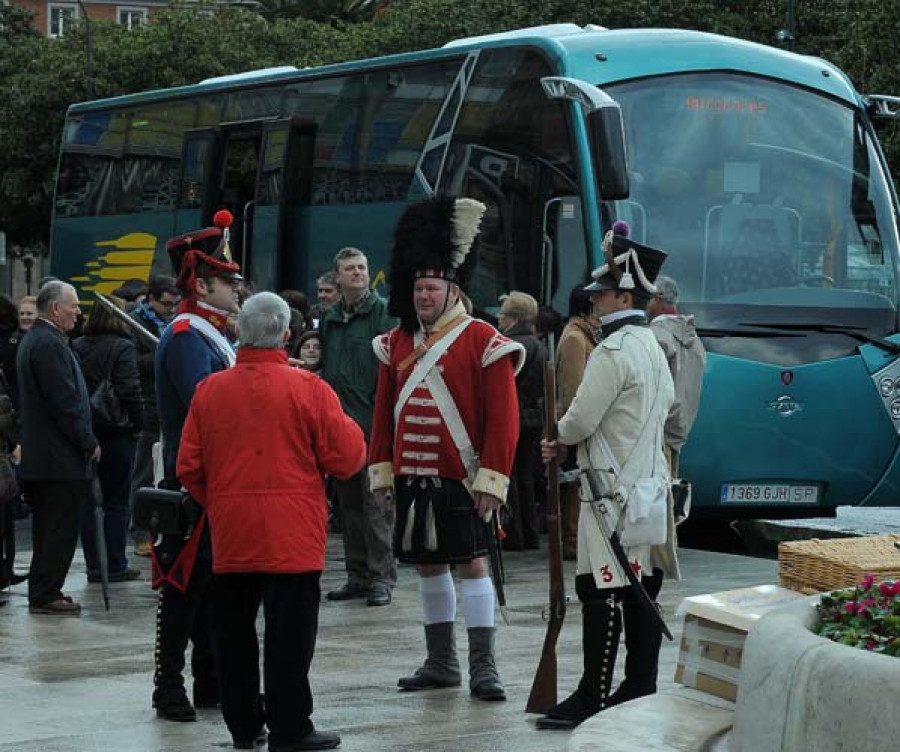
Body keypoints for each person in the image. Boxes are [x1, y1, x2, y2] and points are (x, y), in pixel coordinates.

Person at [179, 292, 365, 752]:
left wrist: (222, 500)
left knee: (234, 635)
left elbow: (189, 467)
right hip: (293, 533)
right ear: (287, 335)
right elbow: (346, 458)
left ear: (239, 332)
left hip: (233, 533)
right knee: (290, 637)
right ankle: (291, 725)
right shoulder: (310, 389)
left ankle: (243, 725)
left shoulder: (210, 391)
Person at [369, 196, 524, 702]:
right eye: (417, 288)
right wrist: (384, 473)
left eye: (432, 288)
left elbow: (504, 418)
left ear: (453, 290)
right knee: (430, 566)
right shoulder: (394, 343)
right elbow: (382, 413)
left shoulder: (483, 338)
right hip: (413, 477)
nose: (423, 297)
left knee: (472, 566)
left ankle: (484, 666)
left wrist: (493, 480)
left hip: (463, 479)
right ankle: (441, 662)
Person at [537, 223, 678, 730]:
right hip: (648, 488)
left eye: (602, 294)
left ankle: (593, 693)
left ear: (625, 294)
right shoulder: (654, 348)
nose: (594, 302)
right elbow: (669, 409)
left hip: (608, 490)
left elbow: (580, 417)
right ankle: (639, 685)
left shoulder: (612, 351)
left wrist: (558, 439)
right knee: (641, 587)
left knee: (602, 591)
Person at [152, 209, 242, 721]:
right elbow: (203, 401)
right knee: (183, 583)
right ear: (202, 284)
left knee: (214, 580)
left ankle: (209, 678)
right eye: (227, 280)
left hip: (220, 475)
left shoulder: (213, 333)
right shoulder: (188, 334)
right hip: (192, 477)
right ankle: (168, 686)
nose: (235, 288)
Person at [320, 247, 396, 607]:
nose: (357, 273)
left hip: (372, 424)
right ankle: (357, 575)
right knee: (349, 506)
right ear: (337, 276)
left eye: (362, 267)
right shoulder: (332, 317)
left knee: (376, 507)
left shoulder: (382, 313)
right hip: (339, 426)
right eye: (349, 268)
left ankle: (381, 578)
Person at [17, 281, 99, 615]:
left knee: (49, 527)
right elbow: (65, 401)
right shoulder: (48, 344)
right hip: (56, 458)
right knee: (58, 527)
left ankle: (45, 587)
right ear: (55, 309)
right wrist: (88, 441)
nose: (78, 313)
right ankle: (47, 591)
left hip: (44, 456)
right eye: (73, 306)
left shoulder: (37, 339)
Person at [73, 296, 144, 583]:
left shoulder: (76, 345)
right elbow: (129, 389)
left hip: (88, 429)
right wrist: (138, 423)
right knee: (116, 500)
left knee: (90, 501)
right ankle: (114, 563)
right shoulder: (122, 347)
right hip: (116, 431)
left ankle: (94, 563)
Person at [129, 275, 179, 557]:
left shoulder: (173, 323)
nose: (170, 309)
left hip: (166, 405)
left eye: (174, 304)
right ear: (150, 299)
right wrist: (162, 354)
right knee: (144, 474)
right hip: (148, 404)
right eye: (164, 304)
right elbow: (131, 362)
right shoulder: (134, 324)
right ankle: (139, 532)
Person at [496, 291, 545, 551]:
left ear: (514, 318)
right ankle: (531, 533)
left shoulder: (509, 346)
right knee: (526, 476)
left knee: (509, 475)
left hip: (512, 417)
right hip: (534, 418)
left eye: (503, 314)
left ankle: (513, 534)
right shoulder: (540, 345)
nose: (499, 319)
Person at [556, 284, 600, 560]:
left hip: (582, 421)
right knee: (574, 483)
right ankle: (572, 541)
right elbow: (573, 387)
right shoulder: (574, 337)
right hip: (576, 422)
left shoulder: (584, 334)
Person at [647, 275, 707, 475]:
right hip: (677, 436)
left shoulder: (655, 337)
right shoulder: (694, 340)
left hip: (654, 440)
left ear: (657, 298)